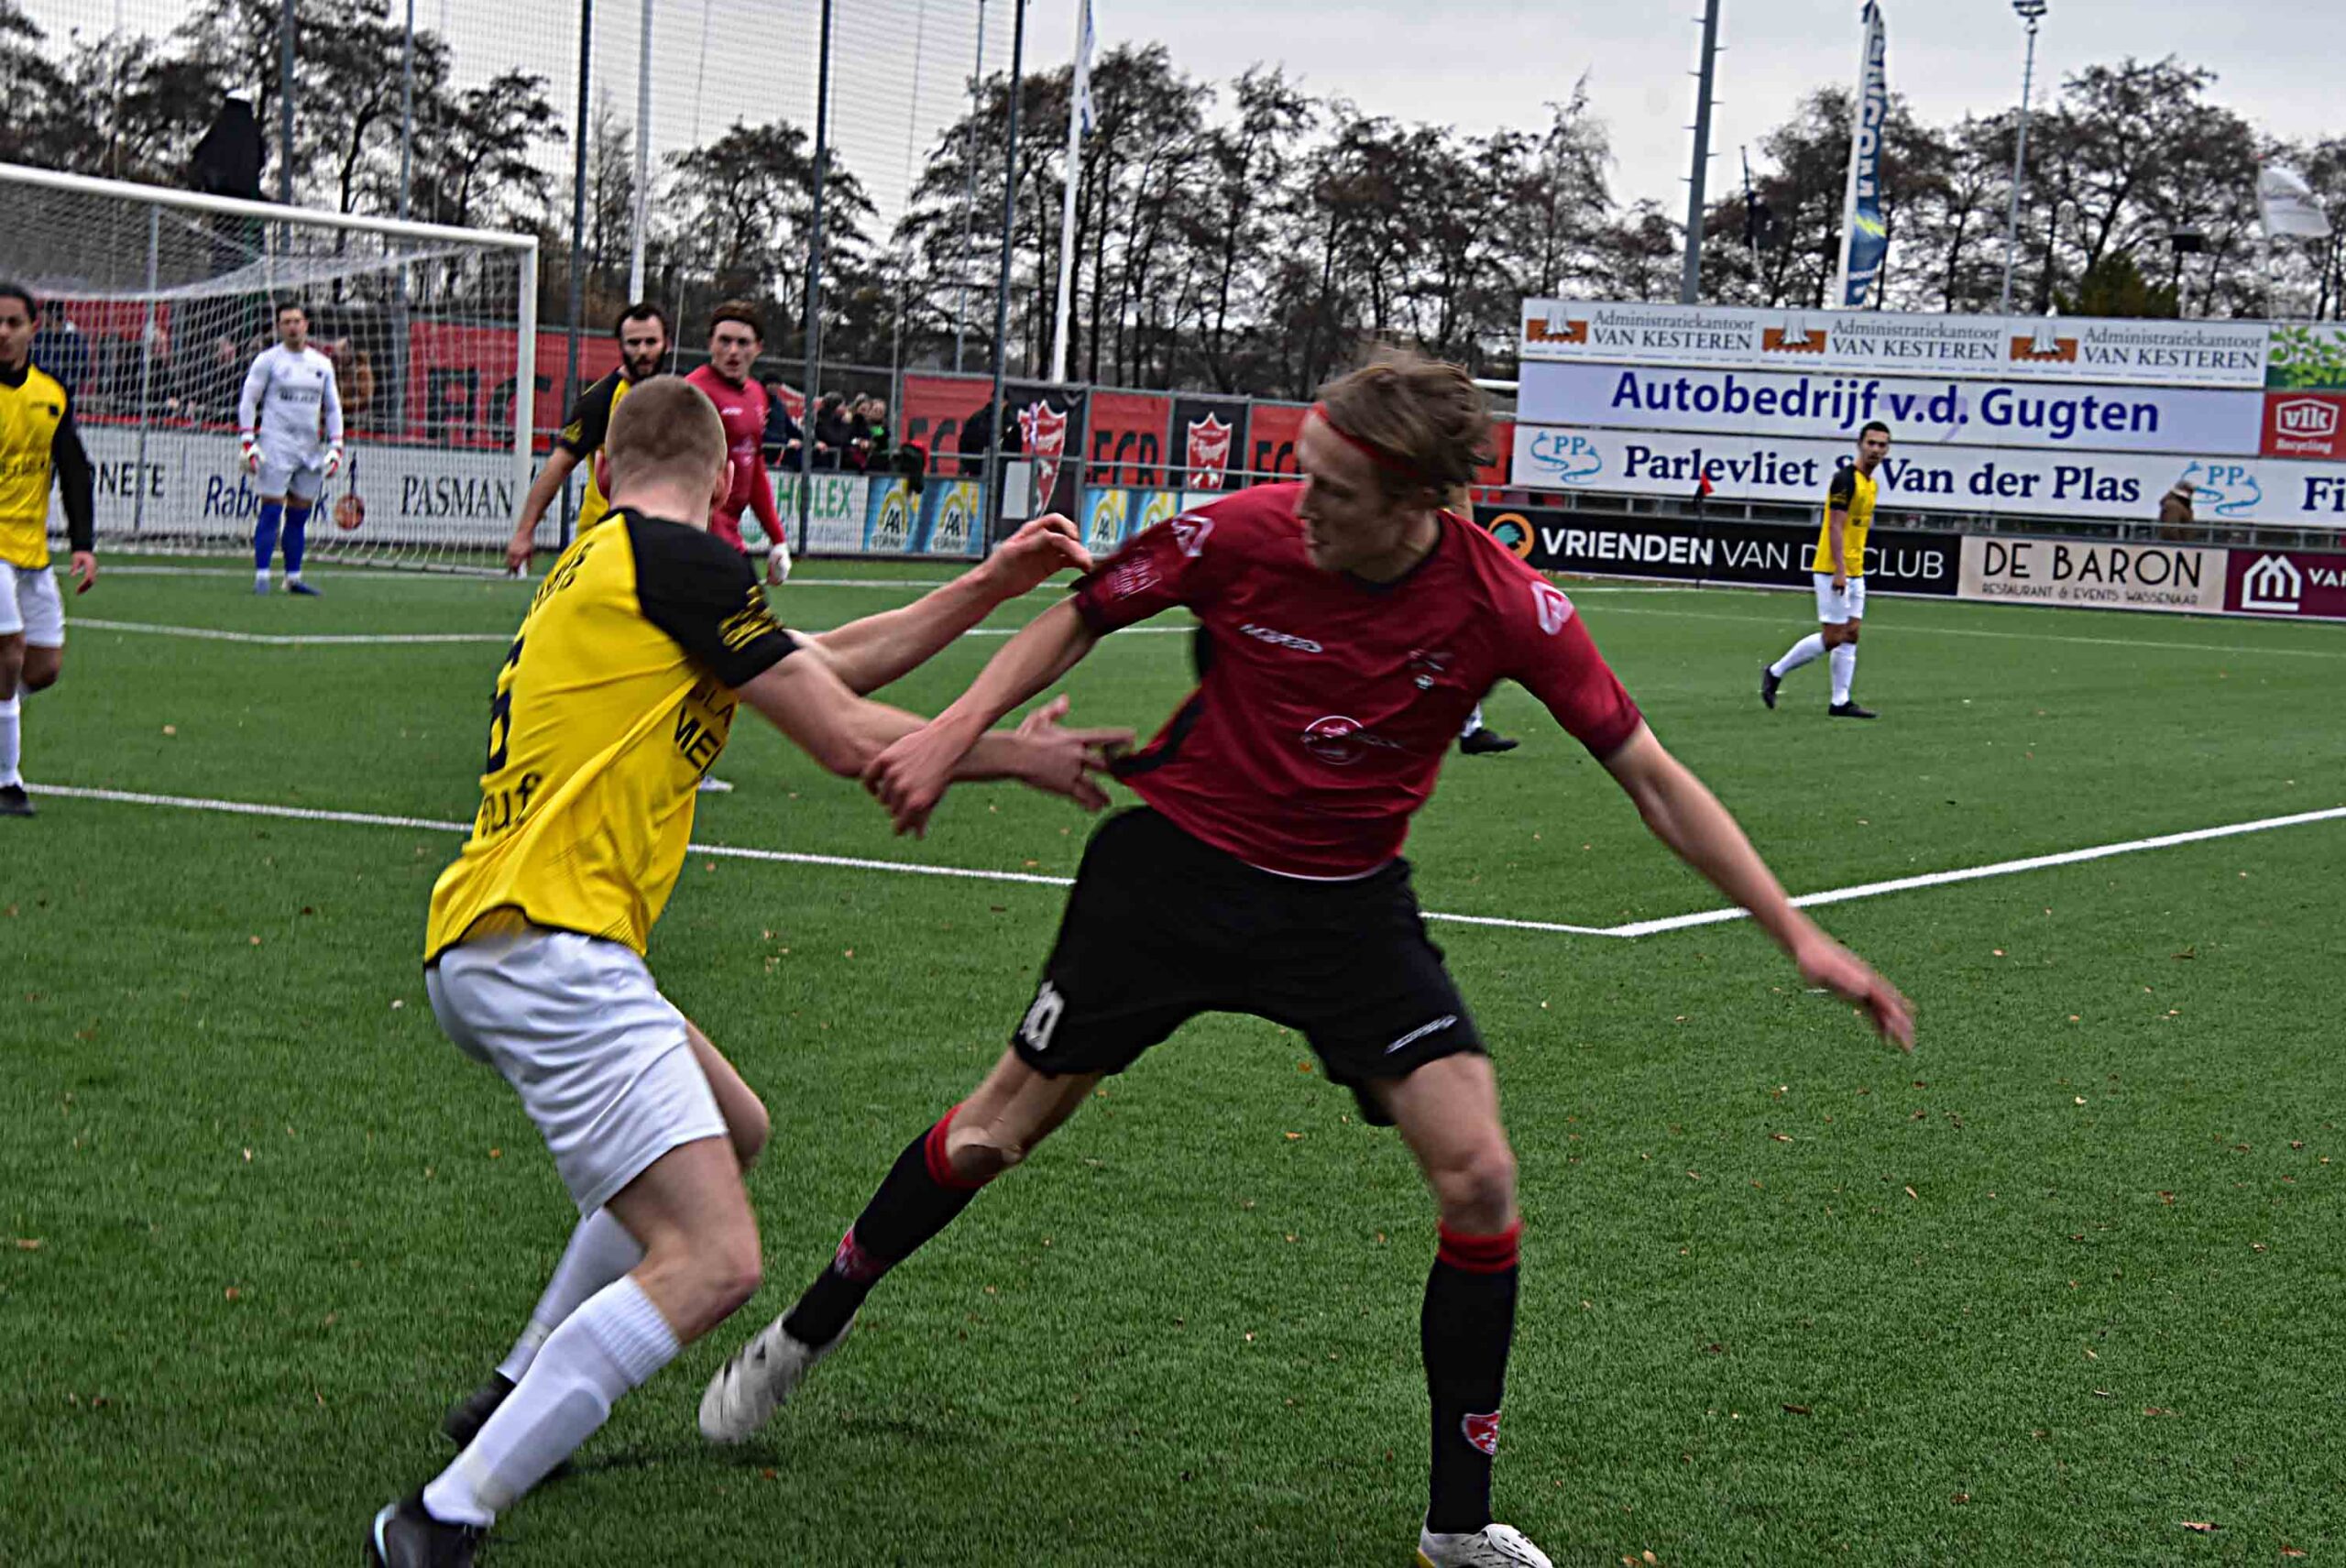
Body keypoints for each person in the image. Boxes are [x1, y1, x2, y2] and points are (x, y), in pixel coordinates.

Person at [698, 353, 1914, 1568]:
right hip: (1172, 876)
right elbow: (1080, 614)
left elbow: (1649, 774)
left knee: (1480, 1176)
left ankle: (1455, 1519)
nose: (1303, 498)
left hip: (1344, 911)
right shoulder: (1238, 532)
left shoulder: (1505, 603)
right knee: (990, 1136)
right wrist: (958, 731)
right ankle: (805, 1329)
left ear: (1414, 505)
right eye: (1302, 471)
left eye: (1332, 487)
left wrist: (1797, 931)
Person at [364, 374, 1128, 1568]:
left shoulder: (613, 561)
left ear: (606, 472)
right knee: (714, 1259)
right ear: (725, 477)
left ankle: (518, 1384)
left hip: (490, 939)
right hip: (552, 949)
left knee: (736, 1119)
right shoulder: (684, 562)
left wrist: (986, 586)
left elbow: (824, 662)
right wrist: (1011, 754)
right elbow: (841, 734)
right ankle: (440, 1516)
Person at [0, 283, 97, 819]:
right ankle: (7, 780)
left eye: (14, 322)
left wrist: (83, 545)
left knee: (43, 668)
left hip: (30, 549)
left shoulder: (51, 394)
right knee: (7, 650)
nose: (3, 332)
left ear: (34, 328)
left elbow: (75, 470)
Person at [505, 302, 672, 575]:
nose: (642, 351)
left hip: (658, 538)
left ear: (667, 344)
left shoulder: (676, 395)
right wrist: (524, 532)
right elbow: (558, 465)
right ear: (621, 346)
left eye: (651, 342)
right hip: (604, 537)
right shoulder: (600, 399)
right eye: (633, 343)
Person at [1760, 421, 1890, 719]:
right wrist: (1840, 571)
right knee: (1833, 636)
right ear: (1860, 444)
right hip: (1833, 569)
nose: (1876, 450)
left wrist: (1853, 568)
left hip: (1856, 569)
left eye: (1882, 445)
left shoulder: (1871, 484)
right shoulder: (1845, 480)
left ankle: (1840, 701)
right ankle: (1775, 671)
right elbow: (1834, 526)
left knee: (1852, 633)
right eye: (1871, 443)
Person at [237, 302, 344, 597]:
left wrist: (336, 446)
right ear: (279, 327)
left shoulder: (322, 364)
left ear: (306, 324)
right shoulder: (268, 360)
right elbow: (249, 400)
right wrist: (249, 440)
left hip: (309, 448)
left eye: (297, 321)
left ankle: (293, 578)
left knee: (299, 516)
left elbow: (333, 407)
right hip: (276, 445)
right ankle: (261, 577)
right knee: (271, 510)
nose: (293, 326)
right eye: (286, 322)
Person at [683, 302, 786, 563]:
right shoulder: (692, 392)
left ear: (758, 348)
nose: (733, 351)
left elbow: (754, 467)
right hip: (697, 537)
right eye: (724, 341)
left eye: (743, 343)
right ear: (710, 344)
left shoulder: (757, 393)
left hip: (730, 537)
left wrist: (778, 539)